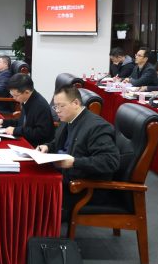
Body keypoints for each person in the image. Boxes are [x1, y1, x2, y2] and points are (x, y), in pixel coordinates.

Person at [37, 85, 120, 221]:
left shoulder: (96, 127)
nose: (57, 111)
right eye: (55, 106)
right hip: (64, 177)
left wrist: (74, 162)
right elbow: (58, 143)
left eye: (61, 106)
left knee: (33, 192)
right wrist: (47, 147)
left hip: (83, 188)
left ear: (75, 103)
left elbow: (110, 161)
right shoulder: (68, 118)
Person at [0, 74, 54, 147]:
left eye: (16, 95)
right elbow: (21, 123)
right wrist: (3, 122)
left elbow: (41, 133)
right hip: (25, 139)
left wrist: (15, 130)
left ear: (26, 92)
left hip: (35, 146)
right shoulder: (27, 99)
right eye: (12, 94)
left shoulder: (40, 105)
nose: (14, 98)